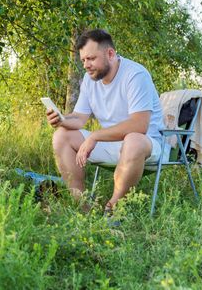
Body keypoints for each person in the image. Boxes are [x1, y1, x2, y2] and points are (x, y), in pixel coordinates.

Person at [46, 29, 164, 213]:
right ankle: (83, 205)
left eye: (91, 58)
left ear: (110, 54)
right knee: (61, 135)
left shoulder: (135, 75)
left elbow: (139, 125)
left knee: (133, 140)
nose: (86, 65)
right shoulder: (89, 79)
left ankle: (113, 210)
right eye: (83, 60)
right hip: (111, 143)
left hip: (146, 144)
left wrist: (95, 137)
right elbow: (79, 117)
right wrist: (61, 119)